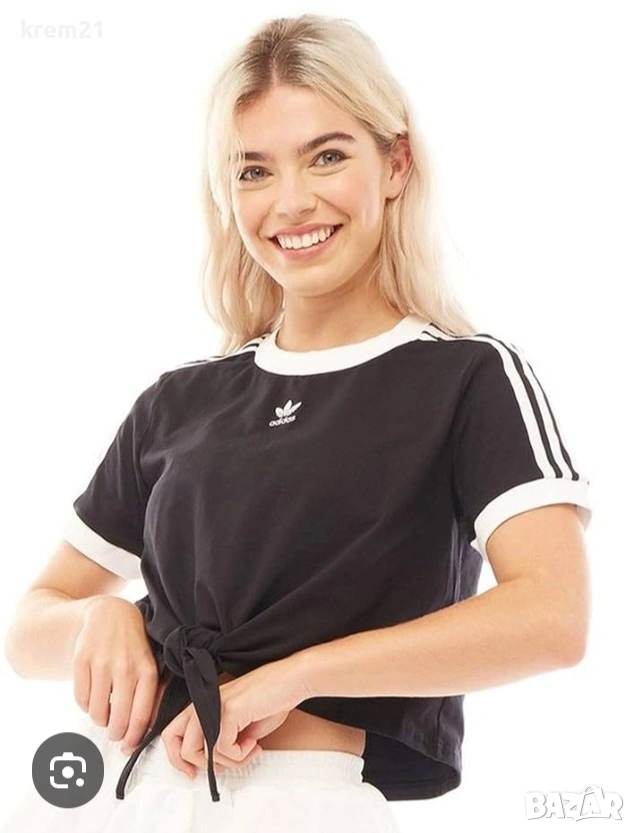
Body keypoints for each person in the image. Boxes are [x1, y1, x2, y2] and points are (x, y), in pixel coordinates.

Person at [1, 12, 592, 833]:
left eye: (326, 156)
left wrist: (294, 674)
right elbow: (28, 628)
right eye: (253, 170)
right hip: (104, 789)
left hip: (299, 796)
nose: (290, 201)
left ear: (395, 163)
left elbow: (552, 618)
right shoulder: (180, 399)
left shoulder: (465, 378)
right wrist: (98, 620)